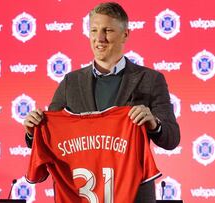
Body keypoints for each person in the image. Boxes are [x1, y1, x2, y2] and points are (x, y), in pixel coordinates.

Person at [23, 2, 180, 202]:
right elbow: (49, 137)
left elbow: (172, 138)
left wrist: (154, 124)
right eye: (94, 30)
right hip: (80, 193)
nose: (99, 38)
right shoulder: (71, 82)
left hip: (134, 196)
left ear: (125, 34)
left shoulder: (150, 80)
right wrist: (32, 131)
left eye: (108, 30)